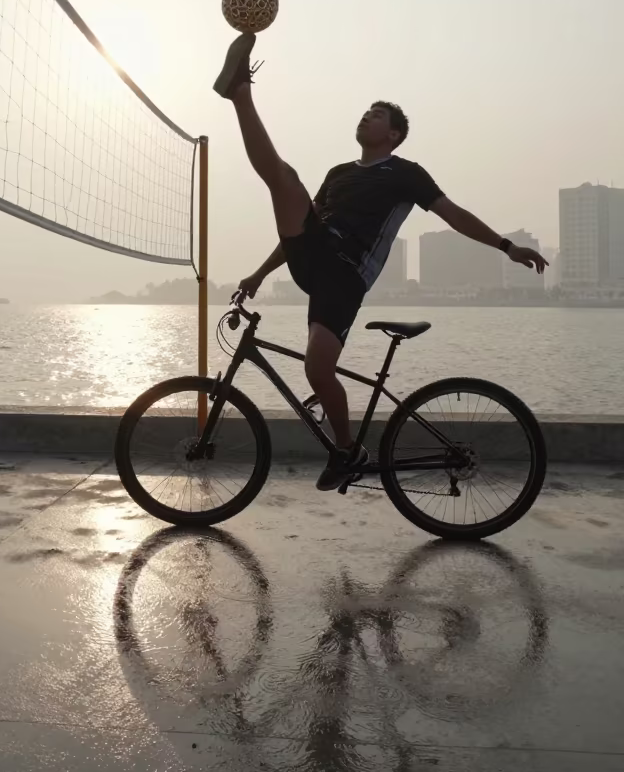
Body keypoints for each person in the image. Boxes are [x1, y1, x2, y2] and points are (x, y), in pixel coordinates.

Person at [214, 31, 548, 491]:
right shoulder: (338, 173)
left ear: (392, 134)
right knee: (286, 183)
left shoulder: (405, 173)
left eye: (377, 114)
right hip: (312, 259)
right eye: (366, 111)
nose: (366, 116)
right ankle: (239, 94)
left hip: (345, 275)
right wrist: (257, 274)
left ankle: (347, 450)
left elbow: (454, 216)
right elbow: (299, 226)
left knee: (317, 368)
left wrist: (507, 247)